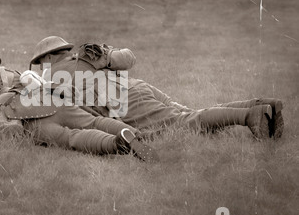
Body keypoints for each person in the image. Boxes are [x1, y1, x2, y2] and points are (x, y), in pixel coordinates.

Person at [29, 36, 284, 140]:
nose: (41, 68)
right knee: (191, 114)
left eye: (40, 63)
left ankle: (249, 116)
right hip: (136, 87)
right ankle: (263, 104)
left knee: (183, 122)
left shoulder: (53, 76)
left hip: (123, 100)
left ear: (48, 58)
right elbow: (128, 58)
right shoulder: (85, 57)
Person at [0, 43, 159, 162]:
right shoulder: (10, 72)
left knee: (72, 137)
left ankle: (117, 144)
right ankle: (136, 134)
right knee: (94, 122)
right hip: (51, 97)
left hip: (26, 117)